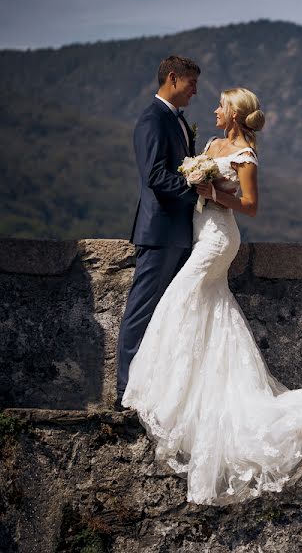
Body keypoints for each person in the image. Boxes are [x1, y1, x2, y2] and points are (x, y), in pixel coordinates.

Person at [121, 86, 302, 506]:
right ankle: (187, 388)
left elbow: (249, 206)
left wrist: (210, 192)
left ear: (235, 114)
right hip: (198, 233)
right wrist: (195, 177)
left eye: (221, 106)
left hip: (218, 239)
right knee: (210, 312)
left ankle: (158, 390)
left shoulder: (246, 156)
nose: (214, 109)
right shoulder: (210, 144)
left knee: (180, 301)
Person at [116, 55, 201, 408]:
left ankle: (157, 389)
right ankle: (124, 392)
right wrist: (197, 190)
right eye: (192, 84)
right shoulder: (152, 119)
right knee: (142, 311)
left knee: (170, 314)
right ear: (173, 79)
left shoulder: (176, 120)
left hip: (178, 232)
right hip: (160, 232)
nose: (195, 92)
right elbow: (154, 176)